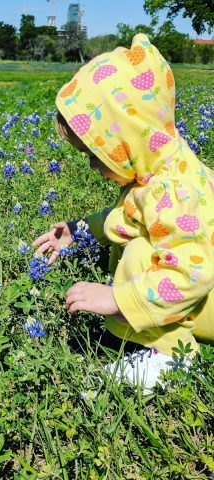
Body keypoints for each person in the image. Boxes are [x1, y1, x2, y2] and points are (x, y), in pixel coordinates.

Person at [32, 33, 214, 393]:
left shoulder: (175, 189)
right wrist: (79, 229)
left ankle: (173, 357)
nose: (92, 166)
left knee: (138, 253)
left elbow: (191, 273)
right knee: (138, 241)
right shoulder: (157, 169)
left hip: (200, 292)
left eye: (96, 155)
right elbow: (128, 214)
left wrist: (117, 299)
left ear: (127, 139)